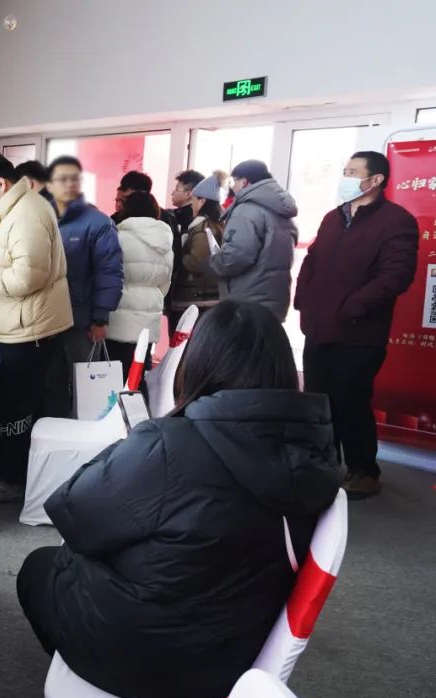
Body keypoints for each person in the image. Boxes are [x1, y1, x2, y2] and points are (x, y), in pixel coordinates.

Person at [17, 300, 341, 698]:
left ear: (200, 364)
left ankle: (89, 686)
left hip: (141, 660)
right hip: (230, 667)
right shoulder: (315, 453)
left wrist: (131, 450)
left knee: (39, 568)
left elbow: (73, 514)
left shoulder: (172, 443)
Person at [296, 151, 419, 499]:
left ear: (375, 180)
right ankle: (322, 465)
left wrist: (352, 307)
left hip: (359, 333)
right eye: (345, 171)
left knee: (350, 401)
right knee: (317, 401)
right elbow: (312, 261)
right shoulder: (334, 217)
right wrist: (303, 300)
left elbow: (396, 276)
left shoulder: (396, 221)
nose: (345, 177)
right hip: (319, 326)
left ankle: (364, 471)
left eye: (352, 172)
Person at [0, 153, 73, 504]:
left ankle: (9, 480)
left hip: (29, 330)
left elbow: (26, 279)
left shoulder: (26, 215)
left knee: (17, 408)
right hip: (24, 324)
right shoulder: (19, 211)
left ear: (0, 183)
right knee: (19, 403)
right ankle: (15, 475)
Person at [46, 155, 123, 377]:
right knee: (50, 381)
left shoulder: (98, 223)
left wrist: (99, 319)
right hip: (45, 320)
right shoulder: (43, 218)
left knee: (83, 381)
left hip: (81, 321)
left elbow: (109, 273)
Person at [209, 160, 298, 321]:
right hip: (274, 299)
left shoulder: (247, 210)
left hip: (247, 301)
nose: (232, 187)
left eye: (234, 182)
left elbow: (236, 257)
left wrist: (214, 262)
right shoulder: (282, 210)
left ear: (244, 182)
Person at [106, 191, 174, 388]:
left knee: (114, 376)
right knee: (138, 373)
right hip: (148, 317)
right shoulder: (165, 240)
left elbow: (108, 276)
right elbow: (165, 282)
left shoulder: (118, 236)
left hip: (118, 315)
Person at [171, 171, 226, 320]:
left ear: (202, 201)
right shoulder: (217, 224)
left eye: (194, 200)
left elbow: (197, 261)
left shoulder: (203, 228)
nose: (192, 205)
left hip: (195, 297)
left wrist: (176, 257)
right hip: (206, 295)